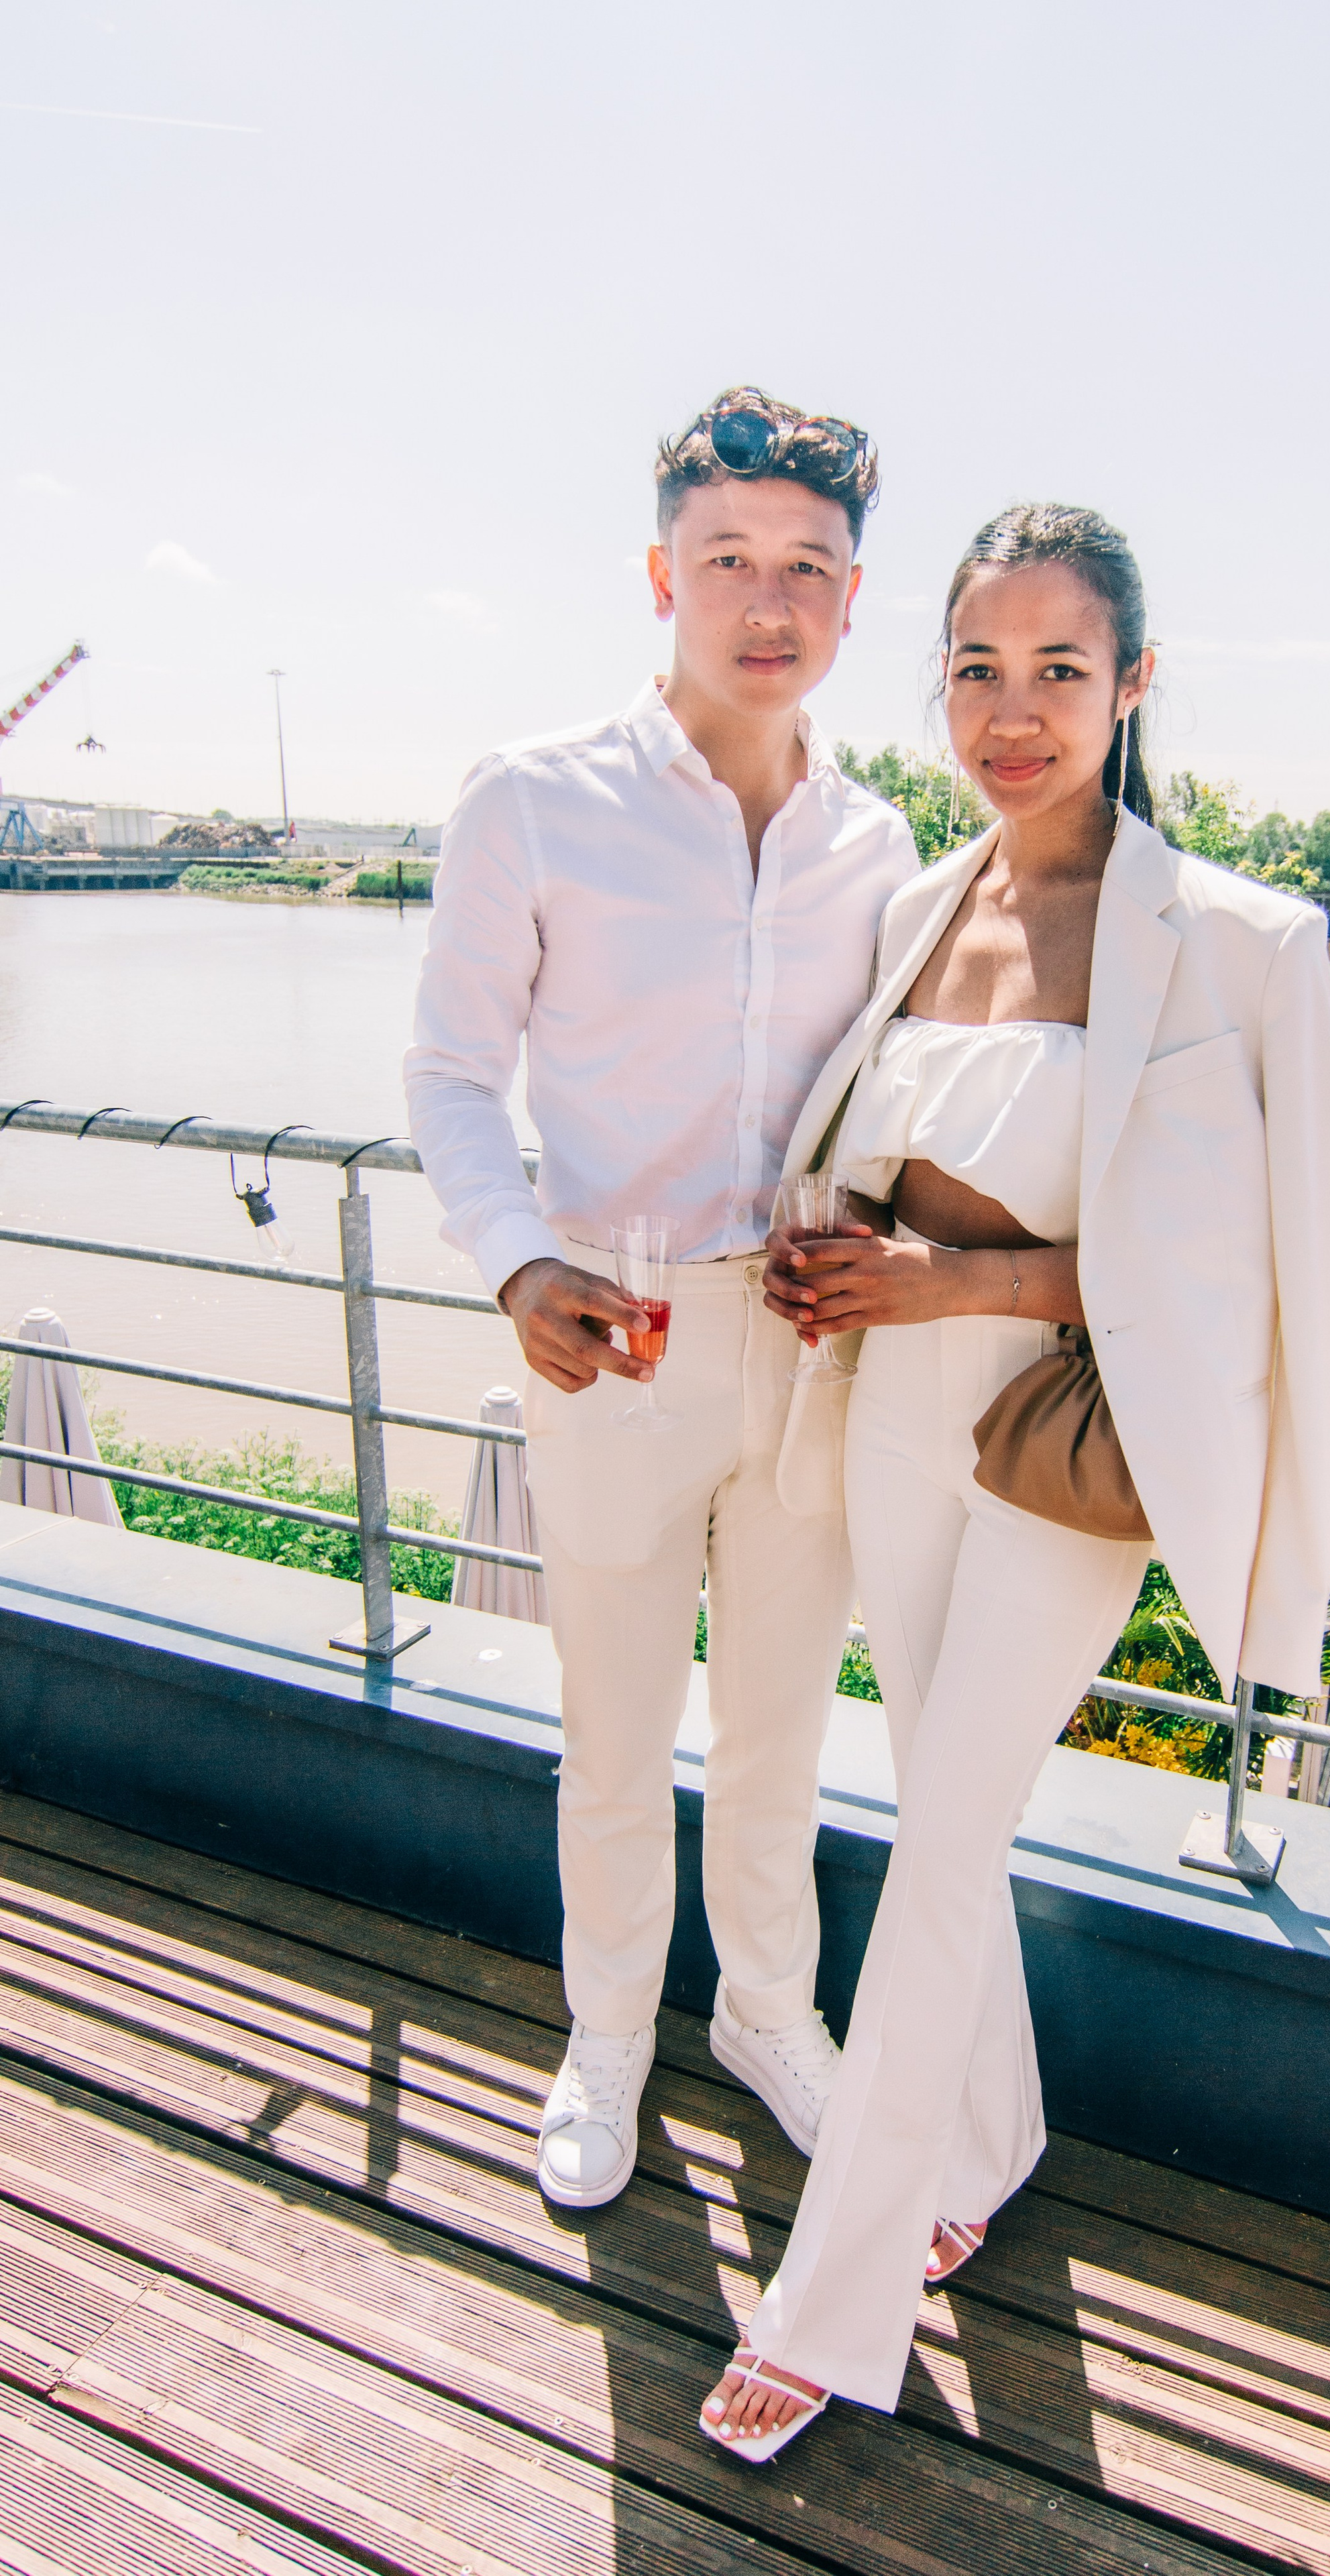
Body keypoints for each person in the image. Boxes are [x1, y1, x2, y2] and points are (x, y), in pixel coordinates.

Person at [699, 502, 1330, 2458]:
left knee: (944, 1830)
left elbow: (1251, 1265)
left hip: (1077, 1436)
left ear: (1134, 685)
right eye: (976, 667)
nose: (1010, 711)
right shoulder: (920, 907)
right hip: (893, 1405)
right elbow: (870, 1151)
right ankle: (994, 2127)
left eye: (1059, 670)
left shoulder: (1247, 942)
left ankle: (831, 2300)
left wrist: (956, 1277)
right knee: (942, 1805)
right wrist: (842, 1262)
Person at [404, 390, 919, 2212]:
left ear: (855, 600)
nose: (764, 603)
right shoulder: (532, 800)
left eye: (807, 569)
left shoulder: (885, 848)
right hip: (608, 1334)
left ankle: (766, 2012)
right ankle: (609, 2030)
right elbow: (453, 1078)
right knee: (614, 1726)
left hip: (806, 1347)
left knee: (780, 1724)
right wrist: (517, 1257)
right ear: (659, 574)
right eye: (727, 562)